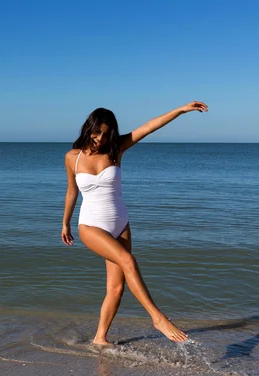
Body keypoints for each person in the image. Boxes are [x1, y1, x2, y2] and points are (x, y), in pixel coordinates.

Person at [61, 101, 208, 345]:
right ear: (89, 128)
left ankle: (100, 339)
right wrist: (65, 223)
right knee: (128, 261)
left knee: (116, 288)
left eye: (107, 135)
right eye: (97, 132)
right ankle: (157, 317)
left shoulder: (115, 150)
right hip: (91, 225)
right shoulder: (72, 158)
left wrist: (180, 110)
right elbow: (71, 192)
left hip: (121, 224)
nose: (100, 138)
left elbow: (149, 127)